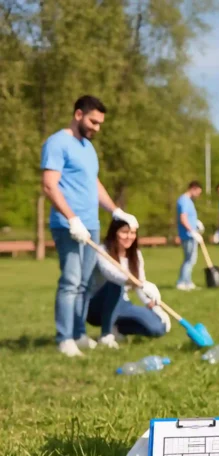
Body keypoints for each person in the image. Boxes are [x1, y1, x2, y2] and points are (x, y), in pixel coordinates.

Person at [41, 95, 140, 357]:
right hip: (68, 225)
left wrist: (116, 211)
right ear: (78, 115)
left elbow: (93, 184)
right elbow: (50, 185)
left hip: (91, 225)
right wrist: (72, 218)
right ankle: (64, 339)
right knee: (71, 282)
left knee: (85, 283)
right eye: (93, 121)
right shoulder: (57, 143)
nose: (97, 127)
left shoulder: (87, 148)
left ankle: (79, 334)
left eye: (100, 123)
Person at [86, 219, 171, 346]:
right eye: (124, 232)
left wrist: (153, 306)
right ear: (114, 232)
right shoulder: (102, 251)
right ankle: (106, 335)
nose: (129, 237)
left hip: (122, 304)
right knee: (116, 284)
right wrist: (140, 283)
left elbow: (140, 286)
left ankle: (118, 329)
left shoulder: (135, 254)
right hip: (96, 306)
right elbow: (113, 275)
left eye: (132, 233)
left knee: (158, 328)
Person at [175, 180, 205, 290]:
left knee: (190, 259)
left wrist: (196, 222)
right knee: (190, 259)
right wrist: (192, 231)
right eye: (198, 192)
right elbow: (183, 218)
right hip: (188, 235)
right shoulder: (184, 200)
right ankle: (183, 282)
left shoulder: (189, 201)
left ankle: (186, 281)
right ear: (193, 188)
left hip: (190, 234)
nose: (198, 195)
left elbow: (189, 217)